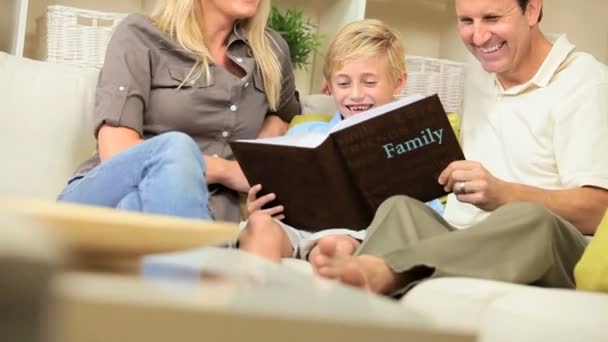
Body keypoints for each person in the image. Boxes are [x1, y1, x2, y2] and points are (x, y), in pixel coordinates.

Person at [310, 0, 608, 296]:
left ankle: (392, 271)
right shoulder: (481, 72)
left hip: (547, 246)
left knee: (531, 217)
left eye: (492, 18)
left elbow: (599, 208)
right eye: (467, 21)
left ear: (531, 10)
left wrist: (503, 194)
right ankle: (351, 297)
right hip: (466, 238)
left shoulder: (585, 81)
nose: (478, 38)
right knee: (398, 207)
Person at [57, 0, 300, 223]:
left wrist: (261, 151)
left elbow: (288, 116)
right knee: (177, 148)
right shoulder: (140, 34)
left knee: (135, 208)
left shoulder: (271, 52)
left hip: (202, 212)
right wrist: (229, 171)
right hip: (106, 192)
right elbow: (115, 150)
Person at [238, 19, 445, 262]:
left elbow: (425, 215)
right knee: (260, 224)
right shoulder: (303, 133)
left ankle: (324, 286)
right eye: (343, 83)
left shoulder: (413, 140)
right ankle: (252, 297)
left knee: (335, 245)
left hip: (357, 234)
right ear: (329, 87)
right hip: (296, 227)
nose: (356, 94)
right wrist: (258, 207)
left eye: (369, 82)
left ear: (398, 82)